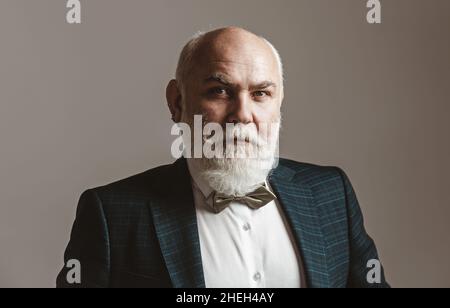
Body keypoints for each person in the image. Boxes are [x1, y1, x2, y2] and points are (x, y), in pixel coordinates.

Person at [57, 27, 388, 288]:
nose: (243, 115)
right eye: (219, 91)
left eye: (261, 94)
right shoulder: (111, 214)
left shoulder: (331, 193)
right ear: (177, 102)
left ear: (279, 104)